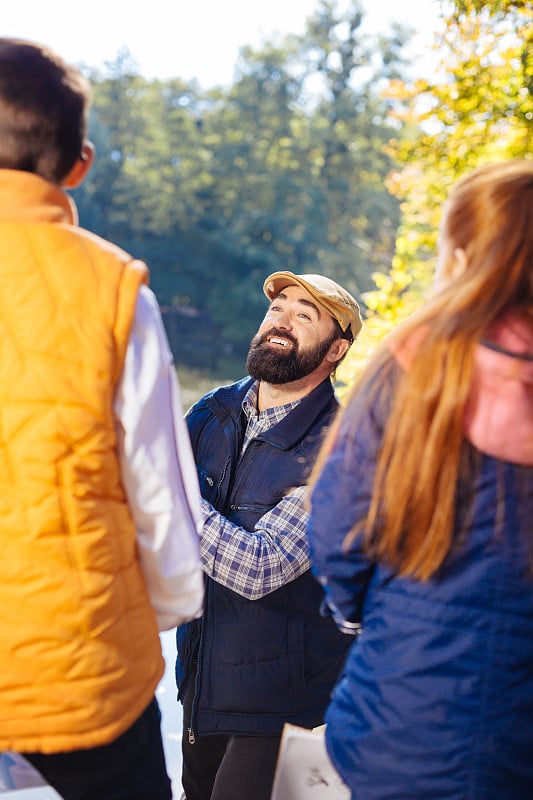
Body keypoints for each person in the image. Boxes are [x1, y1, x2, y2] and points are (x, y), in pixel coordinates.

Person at [0, 38, 204, 800]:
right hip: (80, 654)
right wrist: (174, 604)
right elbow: (156, 481)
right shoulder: (114, 287)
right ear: (78, 164)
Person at [307, 160, 533, 800]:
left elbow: (340, 525)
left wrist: (353, 613)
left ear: (460, 257)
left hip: (403, 712)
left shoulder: (413, 362)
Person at [175, 270, 362, 800]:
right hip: (200, 684)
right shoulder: (210, 412)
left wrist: (166, 493)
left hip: (284, 703)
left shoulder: (341, 449)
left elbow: (261, 567)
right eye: (277, 309)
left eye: (305, 316)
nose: (282, 322)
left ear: (336, 350)